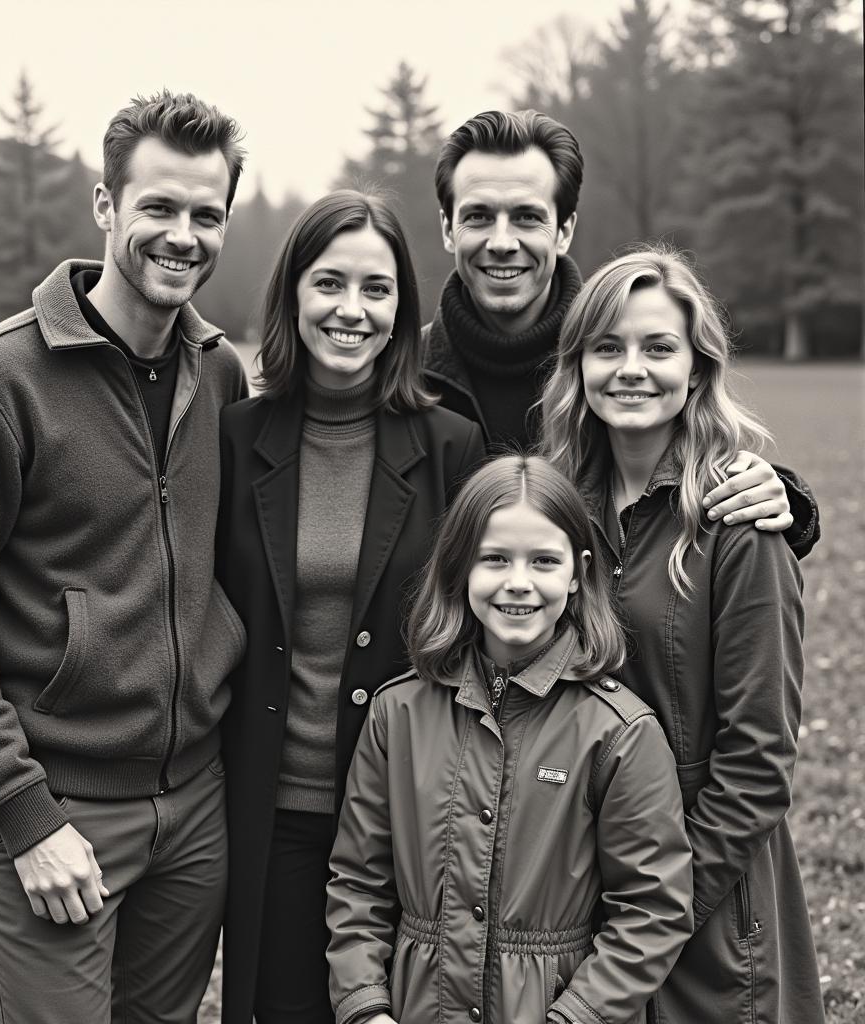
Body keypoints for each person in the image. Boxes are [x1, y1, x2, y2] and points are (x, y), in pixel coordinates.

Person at [0, 91, 249, 1024]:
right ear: (104, 205)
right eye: (158, 208)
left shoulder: (220, 375)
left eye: (205, 215)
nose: (182, 235)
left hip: (196, 807)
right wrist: (24, 814)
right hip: (59, 808)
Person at [216, 189, 485, 1024]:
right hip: (274, 814)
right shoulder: (232, 438)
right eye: (330, 283)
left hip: (406, 817)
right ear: (293, 293)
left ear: (402, 310)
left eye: (376, 290)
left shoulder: (450, 446)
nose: (351, 310)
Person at [539, 247, 825, 1023]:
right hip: (575, 885)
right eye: (608, 347)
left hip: (708, 902)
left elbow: (758, 762)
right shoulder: (555, 511)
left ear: (697, 370)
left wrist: (657, 909)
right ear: (579, 368)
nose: (632, 369)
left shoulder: (740, 523)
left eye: (658, 347)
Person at [326, 455, 695, 1024]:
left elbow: (652, 910)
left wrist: (575, 1015)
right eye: (494, 559)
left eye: (544, 561)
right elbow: (358, 883)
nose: (518, 583)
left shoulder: (619, 734)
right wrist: (366, 1007)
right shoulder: (396, 713)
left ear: (577, 573)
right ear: (459, 570)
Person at [423, 108, 820, 557]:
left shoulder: (614, 367)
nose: (502, 241)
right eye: (477, 216)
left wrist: (784, 498)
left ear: (564, 230)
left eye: (527, 217)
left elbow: (694, 460)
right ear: (447, 229)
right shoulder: (400, 373)